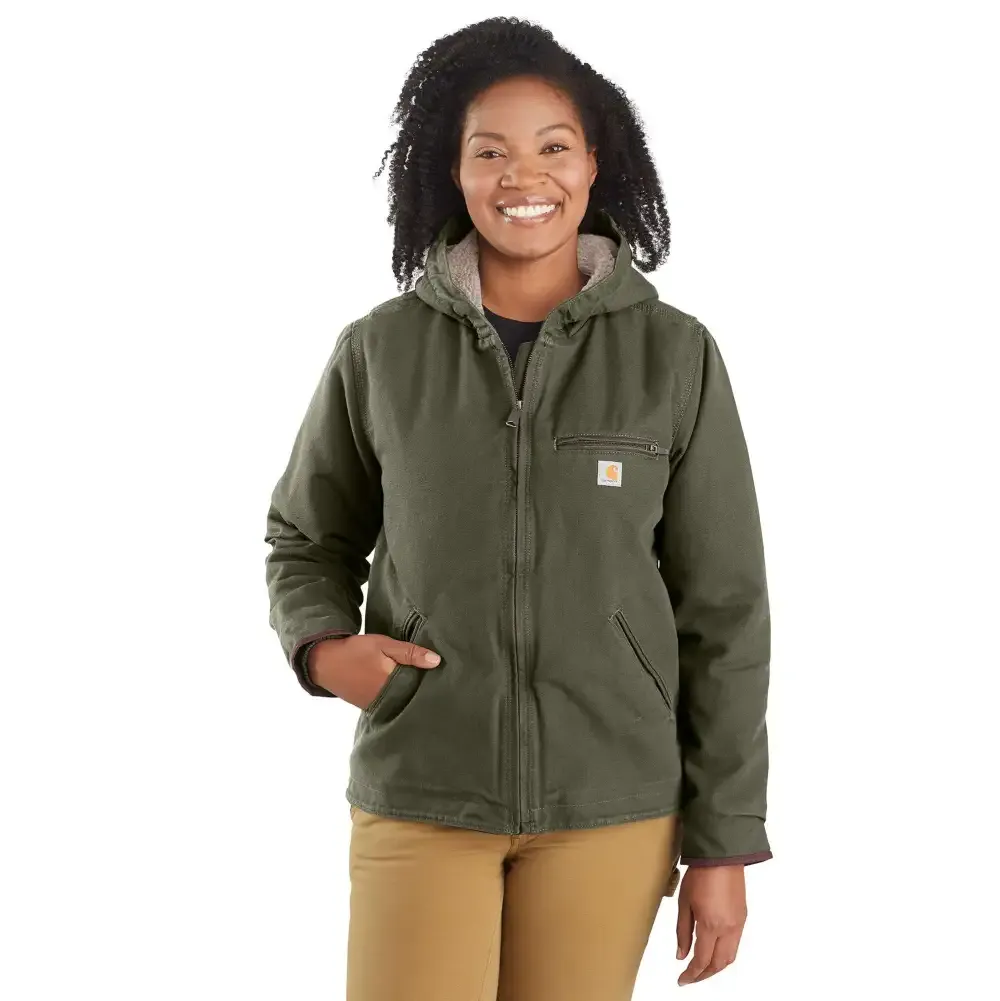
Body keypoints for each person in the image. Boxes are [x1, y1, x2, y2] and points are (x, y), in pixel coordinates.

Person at [263, 16, 772, 1001]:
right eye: (489, 151)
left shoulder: (673, 356)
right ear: (451, 172)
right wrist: (323, 647)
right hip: (423, 787)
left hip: (612, 804)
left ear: (593, 164)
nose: (522, 176)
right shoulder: (381, 351)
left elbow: (726, 607)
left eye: (552, 147)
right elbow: (305, 535)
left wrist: (724, 839)